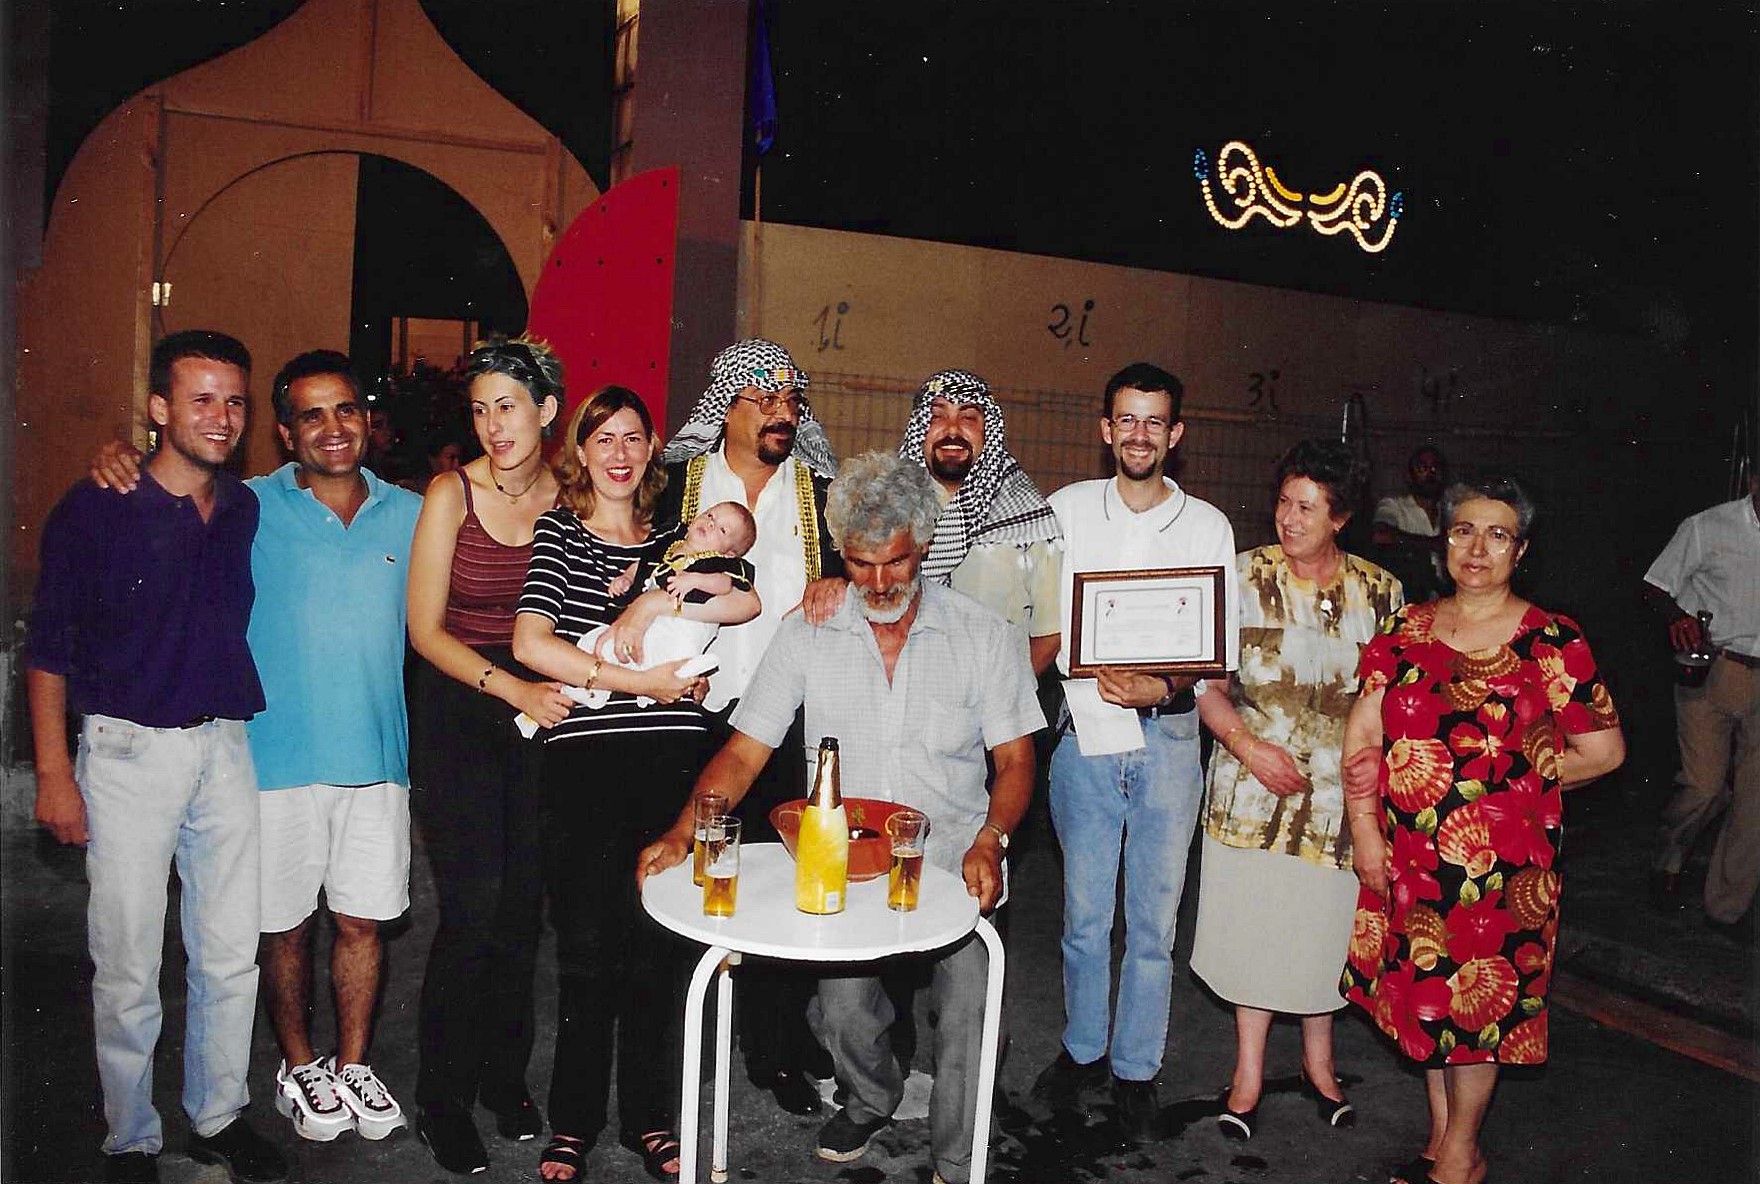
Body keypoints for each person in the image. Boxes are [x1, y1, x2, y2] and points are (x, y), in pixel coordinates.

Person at [636, 450, 1044, 1184]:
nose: (879, 583)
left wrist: (993, 839)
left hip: (955, 858)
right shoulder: (809, 631)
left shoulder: (983, 635)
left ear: (924, 545)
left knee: (971, 1016)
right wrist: (680, 832)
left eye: (895, 562)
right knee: (845, 1013)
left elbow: (1015, 761)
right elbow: (745, 751)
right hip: (847, 866)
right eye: (860, 564)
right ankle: (872, 1096)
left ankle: (958, 1159)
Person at [88, 350, 427, 1144]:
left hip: (377, 762)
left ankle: (352, 1064)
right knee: (281, 930)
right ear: (283, 431)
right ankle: (298, 1064)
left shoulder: (414, 513)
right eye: (312, 414)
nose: (333, 428)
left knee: (363, 925)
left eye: (346, 409)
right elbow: (169, 478)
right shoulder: (247, 504)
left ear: (368, 420)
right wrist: (118, 452)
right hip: (270, 764)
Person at [27, 330, 288, 1184]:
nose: (222, 416)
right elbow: (48, 652)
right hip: (125, 752)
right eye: (201, 398)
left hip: (225, 747)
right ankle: (131, 1136)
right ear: (158, 408)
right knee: (128, 961)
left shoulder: (242, 507)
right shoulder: (95, 505)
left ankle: (219, 1117)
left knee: (229, 952)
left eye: (234, 401)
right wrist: (55, 776)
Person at [1339, 476, 1626, 1184]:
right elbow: (1363, 740)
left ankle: (1460, 1159)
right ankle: (1443, 1140)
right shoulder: (1405, 630)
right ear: (1443, 541)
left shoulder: (1553, 641)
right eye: (1464, 530)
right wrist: (1367, 833)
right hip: (1410, 860)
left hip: (1502, 874)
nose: (1477, 548)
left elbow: (1604, 752)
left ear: (1520, 551)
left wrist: (1512, 789)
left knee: (1477, 1015)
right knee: (1430, 1001)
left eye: (1498, 535)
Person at [514, 387, 758, 1184]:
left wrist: (659, 600)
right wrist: (641, 681)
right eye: (602, 439)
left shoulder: (677, 542)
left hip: (670, 765)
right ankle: (574, 1122)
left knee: (662, 944)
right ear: (580, 451)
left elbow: (744, 601)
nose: (618, 454)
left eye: (632, 438)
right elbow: (532, 645)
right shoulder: (559, 532)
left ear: (652, 448)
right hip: (586, 765)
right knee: (587, 949)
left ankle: (651, 1117)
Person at [1029, 362, 1240, 1145]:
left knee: (1152, 922)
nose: (1140, 435)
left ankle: (1136, 1069)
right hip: (1084, 733)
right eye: (1127, 419)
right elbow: (1039, 617)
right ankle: (1084, 1050)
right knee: (1085, 915)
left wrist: (1164, 683)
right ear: (1105, 428)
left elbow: (1215, 651)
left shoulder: (1207, 526)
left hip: (1171, 738)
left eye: (1155, 421)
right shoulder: (1064, 511)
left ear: (1175, 434)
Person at [1189, 440, 1403, 1141]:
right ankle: (1248, 1074)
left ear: (1340, 517)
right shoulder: (1241, 575)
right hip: (1251, 788)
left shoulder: (1382, 592)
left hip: (1339, 802)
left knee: (1322, 932)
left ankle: (1321, 1066)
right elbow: (1207, 686)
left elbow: (1391, 699)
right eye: (1284, 501)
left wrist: (1379, 760)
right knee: (1254, 930)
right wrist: (1247, 748)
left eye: (1308, 507)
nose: (1289, 518)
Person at [657, 338, 842, 1114]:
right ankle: (685, 1044)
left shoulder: (821, 492)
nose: (781, 413)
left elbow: (859, 576)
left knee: (775, 884)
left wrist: (838, 582)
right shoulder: (678, 485)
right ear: (724, 407)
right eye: (763, 400)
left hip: (784, 724)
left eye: (791, 401)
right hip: (683, 713)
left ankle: (773, 1046)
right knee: (683, 878)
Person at [406, 337, 576, 1175]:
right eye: (479, 409)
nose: (492, 425)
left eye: (507, 406)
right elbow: (424, 631)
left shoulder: (571, 496)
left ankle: (503, 1078)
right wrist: (513, 691)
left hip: (539, 714)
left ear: (547, 410)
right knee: (472, 907)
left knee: (521, 910)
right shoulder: (452, 493)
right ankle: (440, 1099)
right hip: (459, 703)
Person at [804, 369, 1061, 671]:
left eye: (968, 417)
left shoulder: (1030, 521)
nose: (952, 430)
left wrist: (1003, 693)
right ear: (920, 428)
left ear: (988, 430)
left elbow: (1050, 635)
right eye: (937, 417)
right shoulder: (884, 505)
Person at [1645, 474, 1760, 927]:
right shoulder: (1707, 527)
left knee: (1755, 799)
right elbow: (1655, 586)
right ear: (1754, 480)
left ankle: (1726, 908)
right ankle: (1667, 857)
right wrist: (1677, 617)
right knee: (1704, 786)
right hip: (1713, 668)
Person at [570, 500, 759, 708]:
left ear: (729, 553)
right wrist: (627, 578)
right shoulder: (670, 544)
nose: (711, 524)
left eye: (722, 530)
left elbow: (724, 584)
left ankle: (683, 672)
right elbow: (644, 564)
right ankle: (594, 690)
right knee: (605, 643)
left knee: (673, 650)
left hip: (689, 623)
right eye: (710, 515)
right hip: (654, 623)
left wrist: (695, 580)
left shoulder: (719, 562)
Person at [1373, 445, 1448, 603]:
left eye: (1436, 468)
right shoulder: (1394, 506)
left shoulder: (1449, 510)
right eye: (1422, 468)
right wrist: (1431, 544)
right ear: (1409, 475)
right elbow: (1381, 535)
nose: (1431, 473)